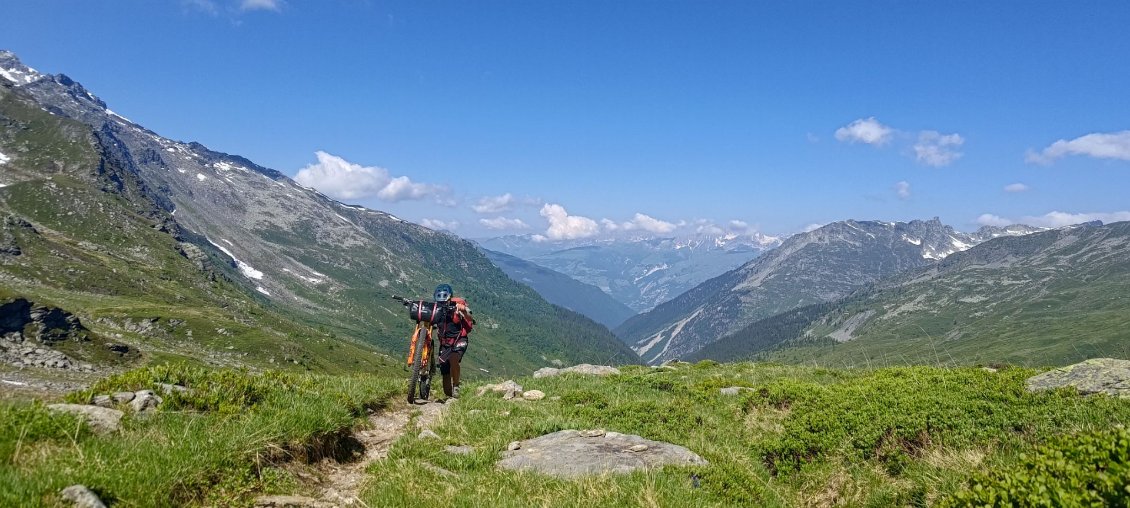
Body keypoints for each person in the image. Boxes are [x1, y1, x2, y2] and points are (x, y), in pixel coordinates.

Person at [433, 283, 473, 399]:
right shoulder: (437, 309)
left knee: (454, 358)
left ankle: (456, 385)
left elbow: (470, 318)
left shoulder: (457, 306)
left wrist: (464, 310)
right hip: (445, 343)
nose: (442, 303)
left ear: (449, 298)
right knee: (445, 371)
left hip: (459, 339)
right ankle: (450, 393)